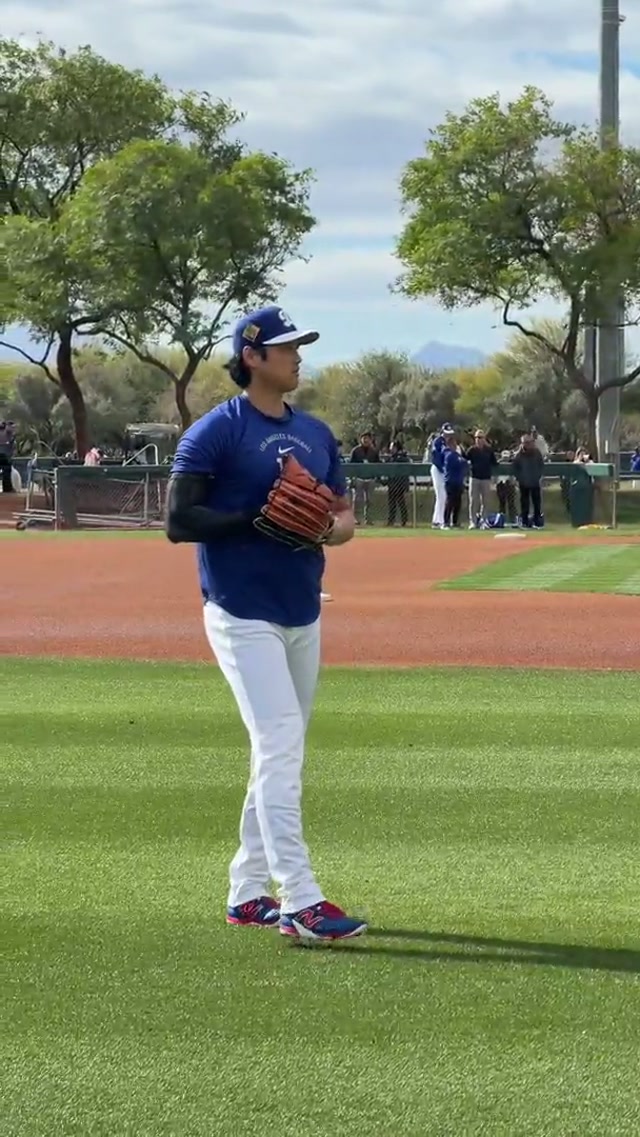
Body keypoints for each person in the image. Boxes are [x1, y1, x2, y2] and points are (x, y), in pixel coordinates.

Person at [165, 305, 367, 942]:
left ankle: (247, 889)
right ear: (252, 357)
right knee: (281, 740)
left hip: (301, 609)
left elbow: (342, 518)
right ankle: (300, 899)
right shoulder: (215, 433)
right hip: (239, 610)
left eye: (299, 346)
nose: (297, 356)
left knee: (280, 747)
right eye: (286, 348)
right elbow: (179, 522)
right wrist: (253, 516)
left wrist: (330, 528)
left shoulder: (315, 433)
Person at [464, 429, 497, 528]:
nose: (478, 439)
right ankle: (473, 522)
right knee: (473, 501)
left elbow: (494, 462)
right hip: (474, 478)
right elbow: (464, 459)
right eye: (477, 437)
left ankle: (484, 521)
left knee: (486, 501)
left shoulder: (489, 450)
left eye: (480, 437)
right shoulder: (471, 450)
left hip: (486, 478)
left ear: (484, 439)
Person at [513, 434, 545, 527]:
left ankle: (537, 521)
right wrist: (520, 478)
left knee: (537, 503)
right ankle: (525, 521)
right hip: (524, 482)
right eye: (525, 443)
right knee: (524, 503)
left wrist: (538, 476)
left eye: (529, 442)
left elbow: (541, 465)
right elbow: (515, 468)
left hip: (535, 481)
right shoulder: (519, 455)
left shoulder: (537, 452)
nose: (528, 444)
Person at [349, 431, 379, 524]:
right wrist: (352, 478)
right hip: (359, 478)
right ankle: (356, 519)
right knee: (357, 500)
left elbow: (378, 465)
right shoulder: (355, 451)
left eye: (368, 438)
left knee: (369, 500)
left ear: (371, 440)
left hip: (370, 478)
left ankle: (368, 519)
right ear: (361, 439)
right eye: (364, 438)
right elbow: (351, 465)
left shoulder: (374, 451)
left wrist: (376, 477)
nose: (366, 440)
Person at [428, 423, 455, 527]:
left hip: (444, 470)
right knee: (441, 495)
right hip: (437, 469)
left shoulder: (449, 442)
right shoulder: (438, 441)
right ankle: (439, 521)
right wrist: (443, 469)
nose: (448, 435)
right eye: (446, 433)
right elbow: (436, 458)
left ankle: (437, 520)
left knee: (443, 495)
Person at [385, 435, 411, 526]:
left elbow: (406, 470)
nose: (390, 449)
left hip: (400, 484)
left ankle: (404, 520)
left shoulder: (402, 458)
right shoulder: (390, 458)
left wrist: (406, 486)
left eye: (392, 447)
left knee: (401, 503)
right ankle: (391, 520)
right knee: (391, 504)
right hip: (391, 484)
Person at [443, 435, 467, 528]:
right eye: (453, 444)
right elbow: (460, 463)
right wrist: (462, 462)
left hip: (458, 482)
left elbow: (465, 463)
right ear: (449, 445)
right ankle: (446, 522)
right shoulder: (448, 454)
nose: (455, 445)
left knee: (458, 503)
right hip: (451, 482)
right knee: (450, 502)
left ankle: (455, 522)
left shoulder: (457, 455)